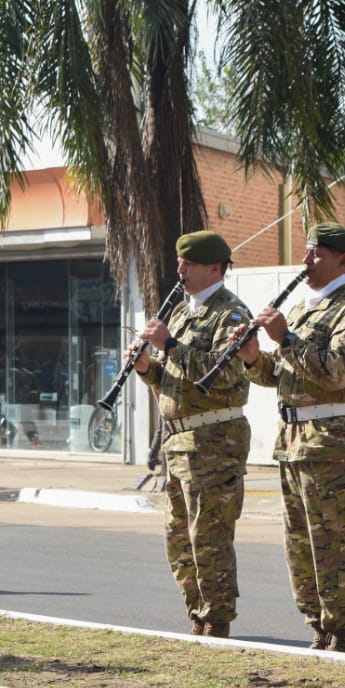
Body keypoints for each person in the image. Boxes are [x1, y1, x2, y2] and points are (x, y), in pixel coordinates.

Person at [237, 223, 345, 654]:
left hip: (334, 445)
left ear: (344, 261)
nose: (306, 262)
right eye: (306, 252)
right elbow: (282, 374)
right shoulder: (304, 308)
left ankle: (344, 631)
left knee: (333, 542)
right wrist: (253, 358)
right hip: (295, 440)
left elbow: (337, 372)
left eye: (316, 254)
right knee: (300, 543)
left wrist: (284, 337)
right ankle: (318, 625)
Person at [133, 230, 251, 638]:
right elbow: (176, 384)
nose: (179, 270)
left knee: (210, 538)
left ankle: (217, 621)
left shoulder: (231, 314)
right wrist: (149, 370)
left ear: (214, 268)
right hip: (179, 443)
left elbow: (220, 373)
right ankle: (197, 613)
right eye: (180, 263)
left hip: (215, 441)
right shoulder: (181, 313)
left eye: (189, 264)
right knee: (178, 539)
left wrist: (170, 345)